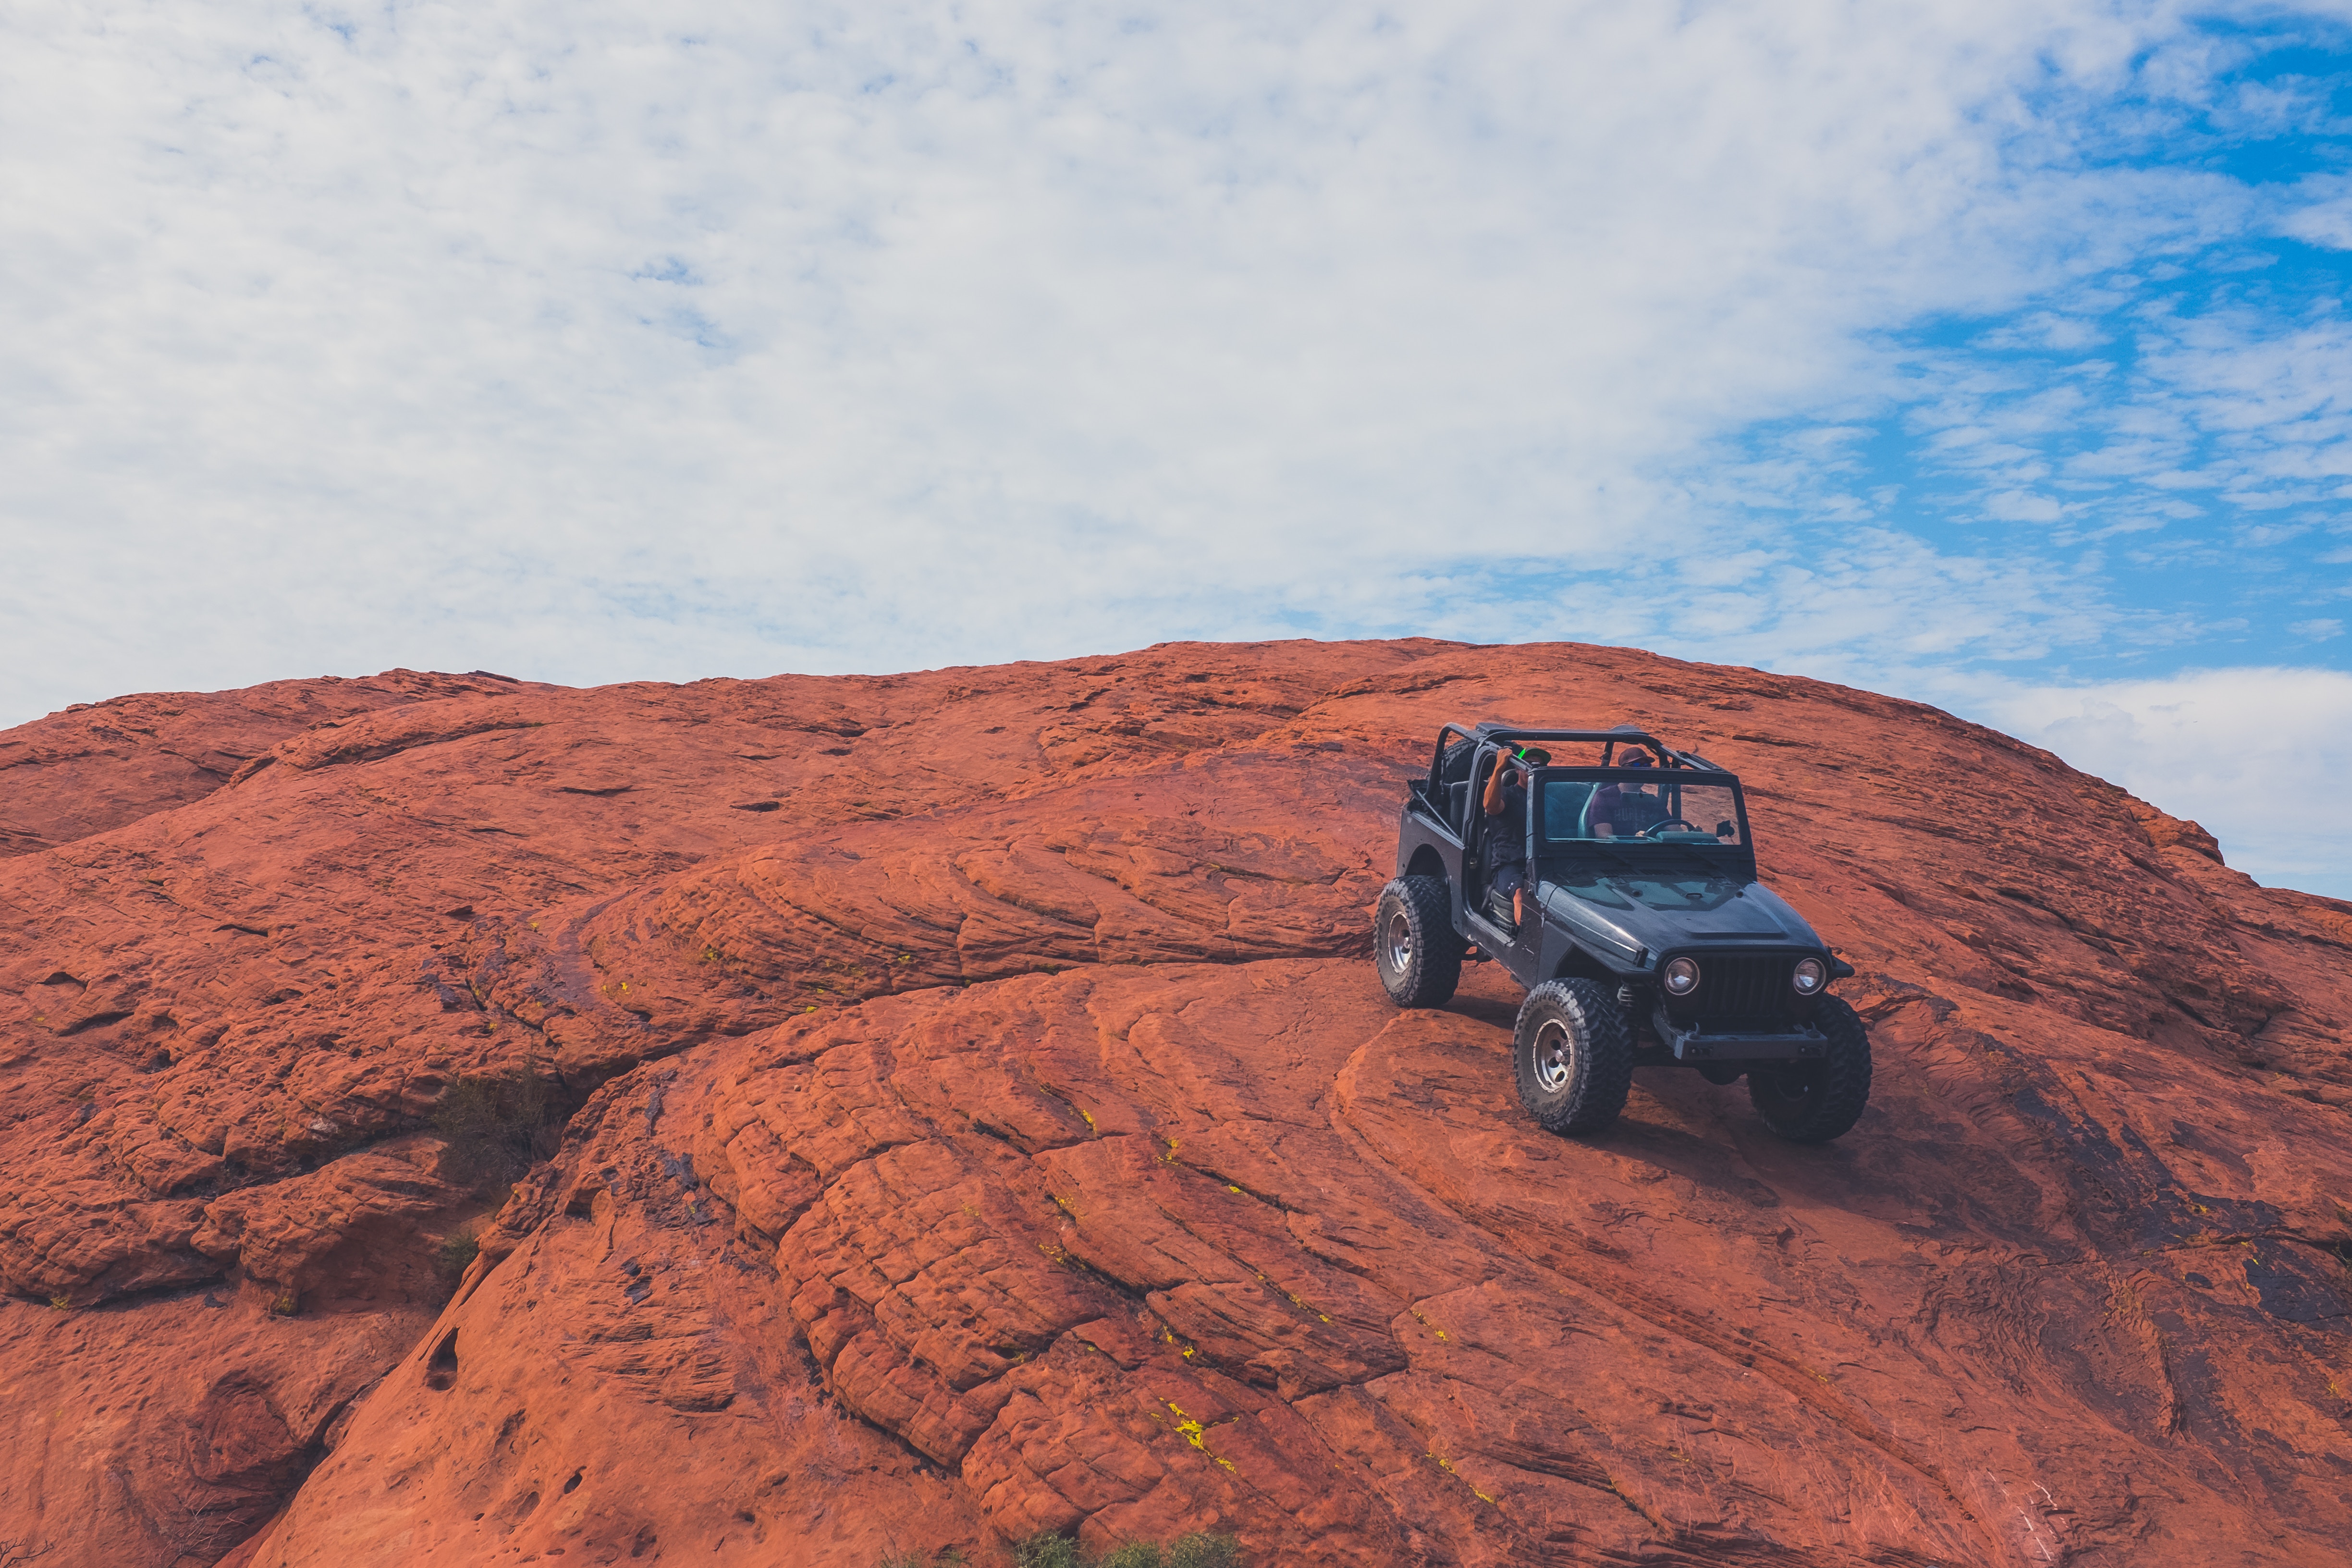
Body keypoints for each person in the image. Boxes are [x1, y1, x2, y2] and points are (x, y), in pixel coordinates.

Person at [1480, 745, 1546, 927]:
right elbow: (1490, 806)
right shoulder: (1508, 795)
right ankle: (1527, 945)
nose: (1534, 768)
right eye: (1529, 764)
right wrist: (1499, 768)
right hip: (1510, 866)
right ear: (1518, 768)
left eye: (1539, 766)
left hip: (1543, 863)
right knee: (1520, 895)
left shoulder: (1549, 800)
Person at [1592, 747, 1662, 838]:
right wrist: (1633, 841)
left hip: (1651, 850)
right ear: (1624, 770)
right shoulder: (1605, 797)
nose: (1643, 770)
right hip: (1616, 851)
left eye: (1647, 766)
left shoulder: (1652, 801)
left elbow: (1674, 829)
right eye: (1637, 765)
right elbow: (1603, 836)